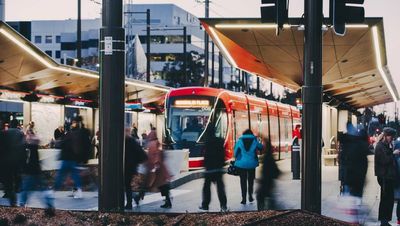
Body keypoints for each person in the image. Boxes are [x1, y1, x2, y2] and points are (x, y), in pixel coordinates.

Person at [53, 116, 91, 199]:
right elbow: (85, 145)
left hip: (67, 157)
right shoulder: (82, 132)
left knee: (61, 175)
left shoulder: (72, 133)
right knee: (75, 175)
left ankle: (54, 191)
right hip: (74, 158)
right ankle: (78, 191)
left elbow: (63, 143)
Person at [20, 124, 54, 213]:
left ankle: (22, 205)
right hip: (36, 170)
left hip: (30, 171)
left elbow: (26, 158)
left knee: (26, 189)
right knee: (41, 189)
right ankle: (49, 205)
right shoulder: (32, 144)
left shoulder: (28, 146)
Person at [199, 128, 227, 211]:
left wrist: (204, 164)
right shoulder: (220, 141)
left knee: (206, 188)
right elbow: (222, 154)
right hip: (218, 168)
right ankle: (223, 205)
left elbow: (204, 154)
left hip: (209, 168)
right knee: (220, 188)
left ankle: (205, 205)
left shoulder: (206, 142)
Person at [338, 122, 369, 197]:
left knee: (347, 196)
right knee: (356, 197)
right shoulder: (360, 144)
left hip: (348, 176)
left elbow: (342, 161)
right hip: (357, 177)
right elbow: (364, 162)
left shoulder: (345, 144)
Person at [0, 119, 26, 206]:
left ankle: (9, 193)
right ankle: (17, 189)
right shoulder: (20, 133)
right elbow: (23, 145)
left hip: (7, 159)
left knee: (8, 176)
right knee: (17, 174)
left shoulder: (5, 132)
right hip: (17, 157)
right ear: (17, 124)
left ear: (10, 124)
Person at [375, 127, 397, 226]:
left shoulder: (386, 145)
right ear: (385, 136)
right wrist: (393, 153)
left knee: (389, 199)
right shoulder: (380, 146)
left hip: (388, 176)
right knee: (386, 199)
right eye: (390, 137)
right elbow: (384, 160)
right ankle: (383, 221)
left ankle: (385, 220)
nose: (391, 139)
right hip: (384, 176)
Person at [234, 129, 263, 204]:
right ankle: (250, 196)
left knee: (243, 181)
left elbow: (235, 153)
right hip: (252, 164)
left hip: (241, 164)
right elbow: (261, 147)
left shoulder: (240, 141)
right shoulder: (255, 140)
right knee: (250, 181)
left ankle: (243, 199)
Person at [145, 128, 172, 208]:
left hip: (156, 168)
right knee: (161, 185)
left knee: (151, 183)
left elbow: (155, 154)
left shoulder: (152, 143)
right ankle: (168, 200)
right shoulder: (156, 142)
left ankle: (138, 197)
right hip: (159, 167)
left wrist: (155, 163)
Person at [124, 128, 148, 209]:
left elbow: (141, 154)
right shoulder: (130, 141)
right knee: (126, 185)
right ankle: (133, 198)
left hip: (129, 167)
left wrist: (134, 163)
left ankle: (130, 203)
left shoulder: (130, 141)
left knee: (126, 185)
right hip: (130, 166)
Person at [257, 138, 280, 210]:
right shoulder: (268, 157)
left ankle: (263, 213)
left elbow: (274, 171)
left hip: (266, 182)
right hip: (268, 182)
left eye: (263, 145)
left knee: (261, 196)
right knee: (266, 197)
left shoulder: (268, 158)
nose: (262, 147)